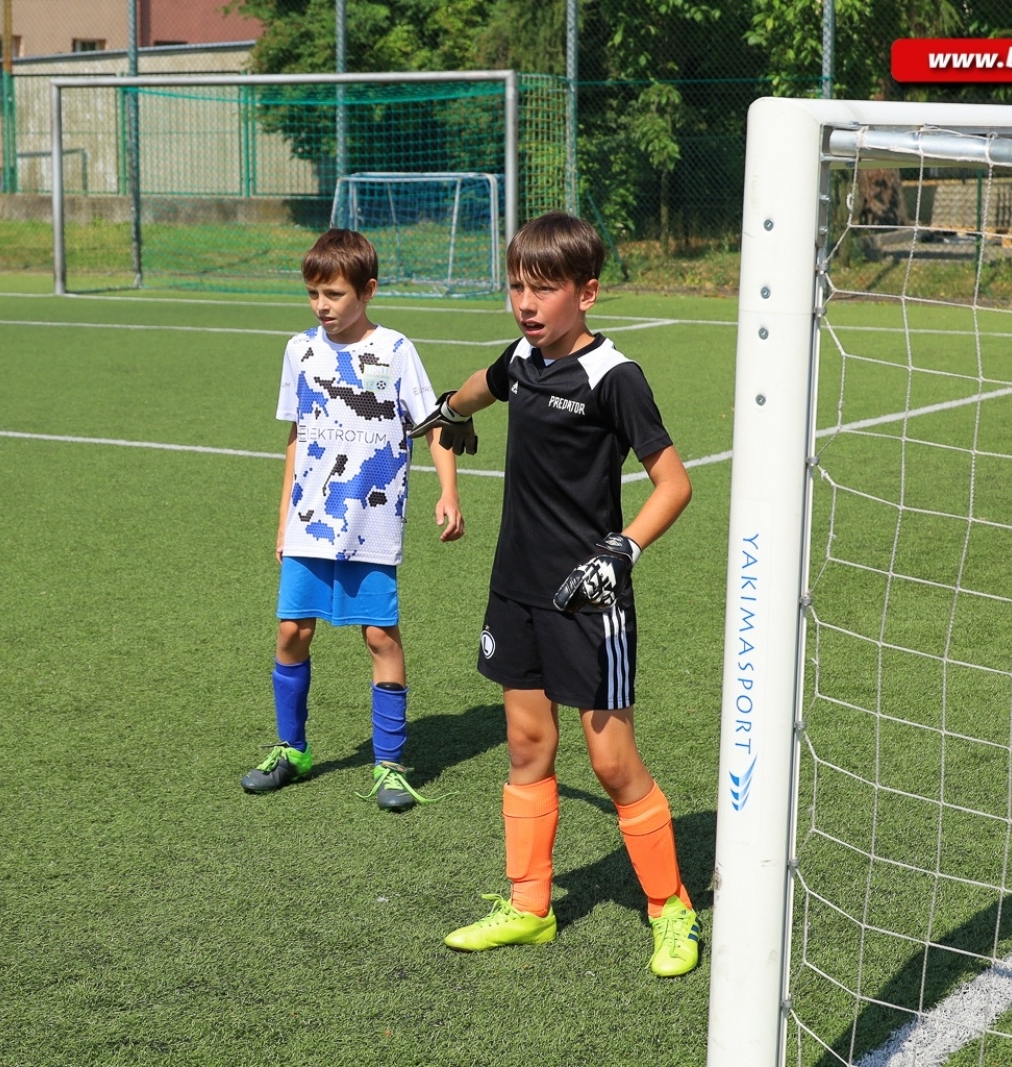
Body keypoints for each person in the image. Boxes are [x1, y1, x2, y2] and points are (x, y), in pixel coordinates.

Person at [410, 212, 699, 976]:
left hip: (589, 597)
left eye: (544, 289)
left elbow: (674, 484)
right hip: (516, 590)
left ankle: (671, 908)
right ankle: (529, 907)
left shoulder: (615, 378)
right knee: (528, 746)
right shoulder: (521, 359)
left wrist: (623, 548)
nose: (526, 304)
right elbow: (483, 384)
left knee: (611, 761)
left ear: (588, 292)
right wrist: (448, 411)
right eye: (515, 287)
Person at [242, 228, 466, 813]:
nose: (323, 305)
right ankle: (292, 750)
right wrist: (283, 519)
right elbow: (297, 435)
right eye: (314, 293)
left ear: (367, 291)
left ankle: (389, 767)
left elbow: (434, 422)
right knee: (292, 632)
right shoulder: (300, 350)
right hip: (310, 522)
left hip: (372, 524)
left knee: (379, 637)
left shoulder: (394, 350)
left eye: (335, 294)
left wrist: (449, 492)